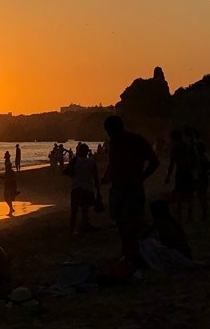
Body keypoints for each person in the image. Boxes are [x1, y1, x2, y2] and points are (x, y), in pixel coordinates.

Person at [102, 115, 160, 268]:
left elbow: (154, 162)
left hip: (133, 188)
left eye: (109, 131)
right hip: (117, 188)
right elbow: (113, 162)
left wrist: (142, 177)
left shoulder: (136, 140)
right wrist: (107, 175)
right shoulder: (113, 142)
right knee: (121, 223)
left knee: (132, 223)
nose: (109, 135)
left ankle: (133, 255)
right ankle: (126, 254)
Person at [65, 142, 101, 234]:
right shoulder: (91, 162)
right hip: (88, 189)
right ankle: (82, 229)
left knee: (74, 212)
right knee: (85, 211)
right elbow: (96, 178)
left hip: (76, 188)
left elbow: (65, 171)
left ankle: (71, 230)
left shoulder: (75, 160)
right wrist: (98, 191)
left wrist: (73, 174)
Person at [165, 130, 197, 220]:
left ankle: (179, 217)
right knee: (190, 195)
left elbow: (172, 163)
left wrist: (168, 176)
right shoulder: (187, 146)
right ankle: (189, 216)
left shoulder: (175, 148)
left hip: (181, 172)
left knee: (179, 195)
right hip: (189, 172)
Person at [195, 141, 210, 221]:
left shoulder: (200, 158)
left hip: (201, 177)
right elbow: (209, 165)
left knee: (201, 197)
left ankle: (204, 214)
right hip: (204, 177)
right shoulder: (203, 157)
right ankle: (204, 213)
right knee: (202, 196)